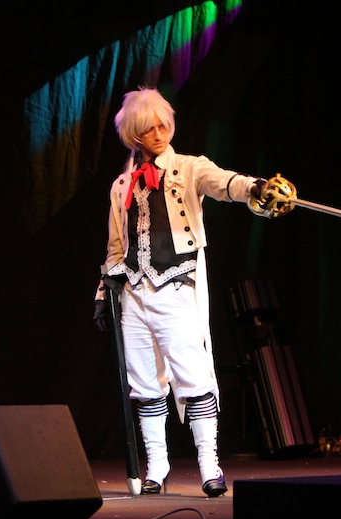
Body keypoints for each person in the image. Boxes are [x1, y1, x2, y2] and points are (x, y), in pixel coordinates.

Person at [93, 87, 270, 497]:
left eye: (163, 125)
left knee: (192, 375)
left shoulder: (189, 168)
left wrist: (255, 187)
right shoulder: (121, 186)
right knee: (144, 383)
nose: (158, 133)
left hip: (175, 288)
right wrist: (104, 293)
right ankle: (157, 465)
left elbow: (223, 182)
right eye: (148, 129)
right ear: (134, 135)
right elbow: (116, 248)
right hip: (134, 294)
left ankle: (209, 463)